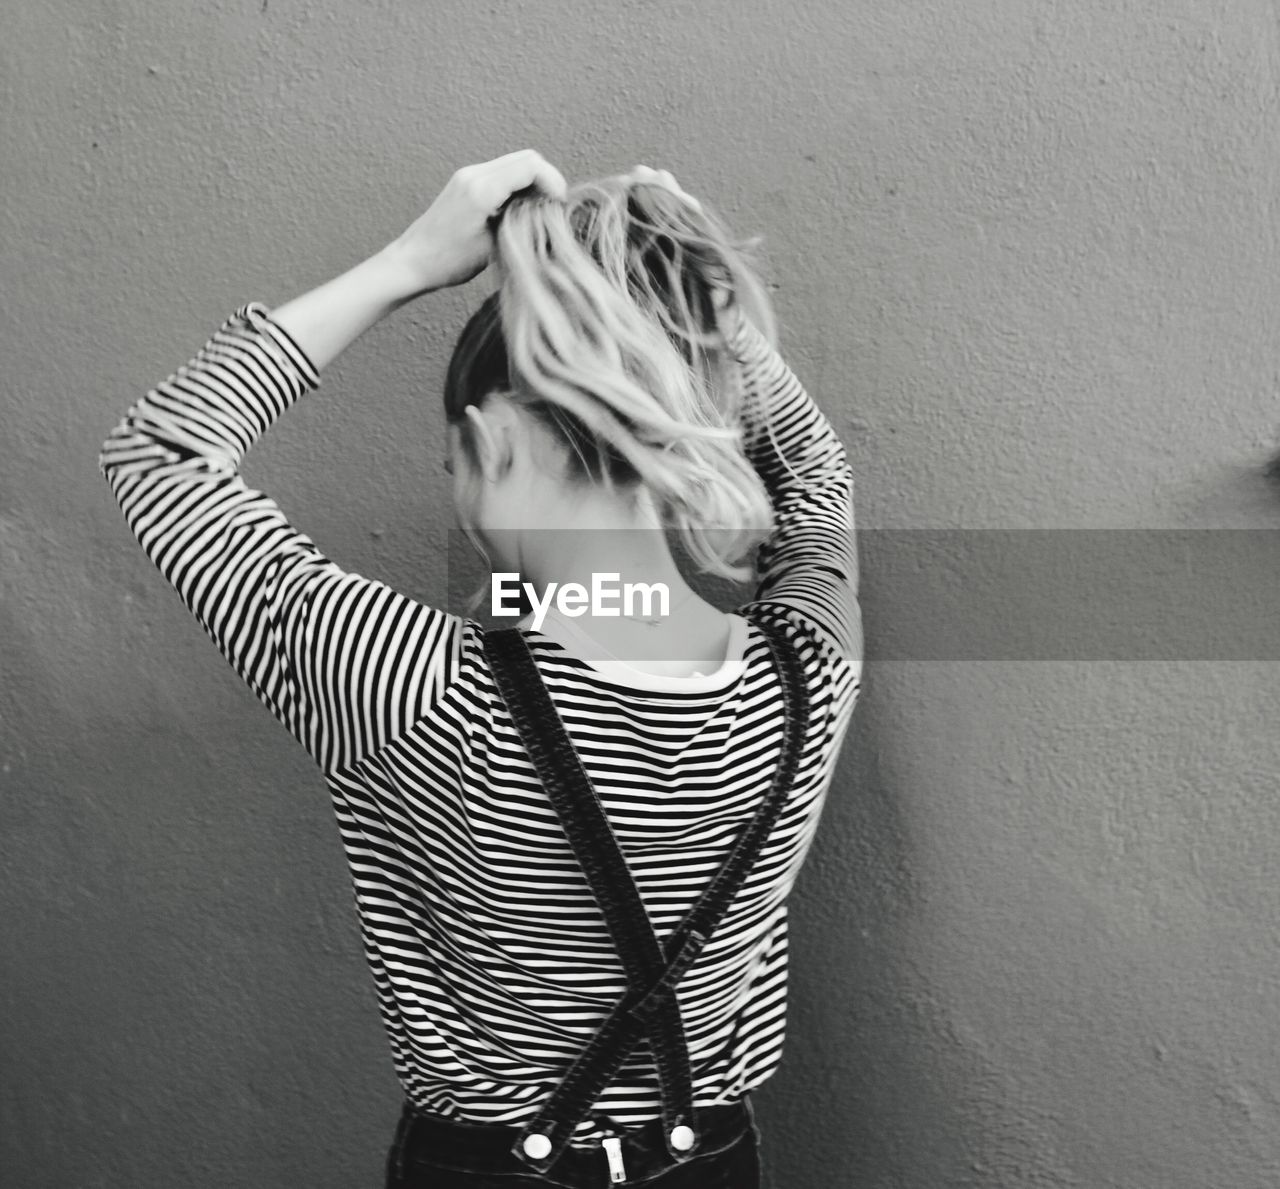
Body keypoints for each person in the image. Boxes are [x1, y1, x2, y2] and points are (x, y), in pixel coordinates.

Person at [99, 149, 863, 1188]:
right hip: (712, 1159)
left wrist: (409, 262)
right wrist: (704, 316)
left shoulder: (409, 682)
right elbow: (813, 485)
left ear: (493, 443)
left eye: (452, 461)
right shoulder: (807, 669)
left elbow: (161, 455)